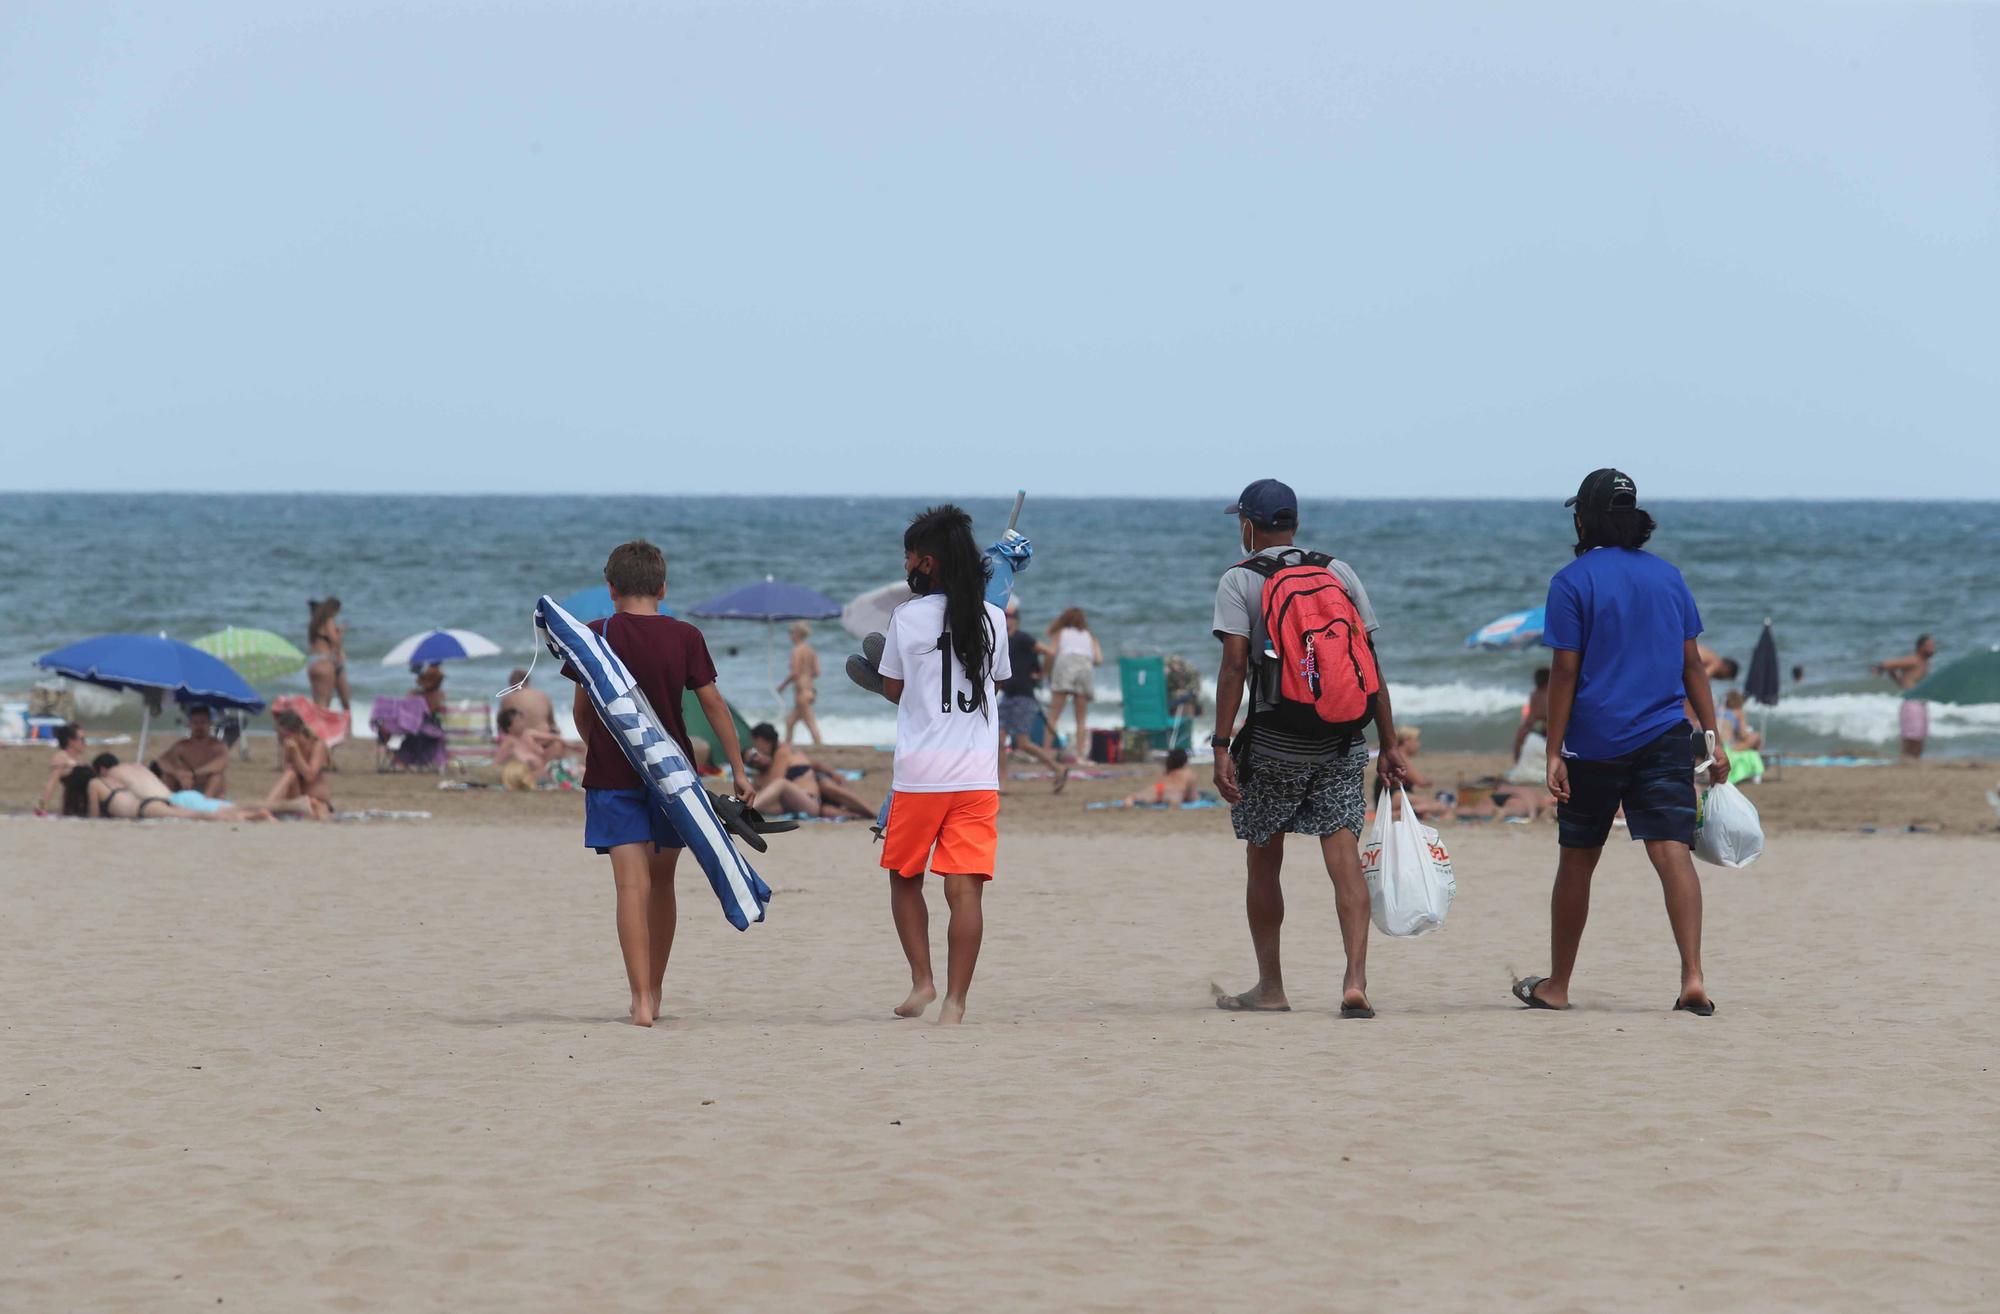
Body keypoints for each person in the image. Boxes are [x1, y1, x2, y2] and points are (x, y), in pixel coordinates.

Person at [1513, 469, 1728, 1018]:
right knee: (1672, 854)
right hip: (1662, 736)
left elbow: (1564, 672)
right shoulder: (1669, 577)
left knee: (1578, 860)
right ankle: (1693, 978)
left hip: (1594, 742)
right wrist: (1714, 738)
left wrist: (1552, 748)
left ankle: (1557, 985)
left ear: (1584, 519)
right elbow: (1692, 667)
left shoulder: (1572, 581)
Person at [1209, 478, 1410, 1019]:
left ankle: (1271, 986)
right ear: (1293, 522)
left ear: (1249, 525)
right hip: (1344, 737)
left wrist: (1222, 745)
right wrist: (1387, 742)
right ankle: (1355, 982)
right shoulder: (1337, 571)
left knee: (1264, 859)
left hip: (1275, 739)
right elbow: (1368, 660)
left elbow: (1234, 666)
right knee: (1343, 857)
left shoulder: (1239, 580)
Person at [560, 539, 754, 1029]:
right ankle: (658, 991)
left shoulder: (596, 635)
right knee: (663, 883)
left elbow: (584, 711)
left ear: (611, 589)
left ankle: (639, 999)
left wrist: (598, 746)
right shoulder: (685, 636)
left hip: (612, 777)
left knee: (631, 886)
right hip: (674, 781)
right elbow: (713, 704)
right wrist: (738, 768)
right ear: (663, 588)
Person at [870, 504, 1009, 1025]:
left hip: (921, 774)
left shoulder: (906, 618)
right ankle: (956, 1002)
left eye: (908, 557)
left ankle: (922, 980)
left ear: (926, 562)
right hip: (976, 774)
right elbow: (991, 685)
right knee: (964, 887)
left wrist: (877, 676)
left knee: (905, 877)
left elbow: (895, 689)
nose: (905, 565)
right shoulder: (994, 618)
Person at [995, 600, 1069, 792]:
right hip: (1008, 696)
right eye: (1005, 617)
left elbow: (1049, 653)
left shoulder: (1023, 638)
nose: (1007, 621)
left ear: (1017, 621)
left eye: (1010, 617)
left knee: (1023, 743)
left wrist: (1042, 674)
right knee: (999, 739)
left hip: (1024, 696)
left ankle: (1058, 768)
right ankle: (1001, 783)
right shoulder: (1002, 640)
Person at [64, 754, 269, 821]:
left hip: (147, 807)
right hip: (157, 800)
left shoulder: (97, 782)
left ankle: (245, 817)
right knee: (209, 810)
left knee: (196, 815)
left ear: (101, 769)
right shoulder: (121, 776)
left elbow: (93, 816)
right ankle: (250, 813)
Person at [745, 723, 875, 819]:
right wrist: (833, 773)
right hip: (803, 800)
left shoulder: (782, 752)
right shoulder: (786, 752)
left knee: (781, 783)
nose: (757, 748)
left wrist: (833, 774)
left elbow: (776, 781)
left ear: (763, 740)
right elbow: (812, 763)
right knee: (832, 798)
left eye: (756, 744)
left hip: (809, 799)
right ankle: (866, 815)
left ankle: (747, 809)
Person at [1041, 607, 1101, 757]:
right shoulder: (1089, 636)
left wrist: (1045, 672)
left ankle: (1046, 751)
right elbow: (1098, 659)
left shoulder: (1061, 633)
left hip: (1065, 668)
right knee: (1081, 719)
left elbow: (1052, 653)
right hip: (1084, 669)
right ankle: (1080, 755)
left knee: (1053, 715)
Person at [1873, 633, 1938, 760]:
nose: (1933, 648)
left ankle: (1912, 768)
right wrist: (1879, 668)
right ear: (1921, 647)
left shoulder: (1925, 663)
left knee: (1919, 741)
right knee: (1911, 742)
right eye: (1929, 646)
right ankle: (1904, 766)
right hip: (1912, 705)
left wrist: (1899, 680)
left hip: (1921, 704)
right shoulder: (1914, 660)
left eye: (1933, 645)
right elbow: (1890, 664)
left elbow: (1901, 676)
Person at [266, 709, 333, 819]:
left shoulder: (317, 745)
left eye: (284, 737)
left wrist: (296, 754)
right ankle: (267, 806)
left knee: (291, 775)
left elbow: (309, 776)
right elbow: (288, 777)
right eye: (279, 737)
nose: (281, 741)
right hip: (298, 800)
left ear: (297, 733)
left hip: (318, 800)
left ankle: (267, 807)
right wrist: (289, 755)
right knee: (290, 774)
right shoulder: (289, 747)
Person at [154, 706, 229, 798]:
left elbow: (220, 764)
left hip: (207, 785)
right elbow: (162, 761)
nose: (199, 726)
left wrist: (193, 774)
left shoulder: (218, 745)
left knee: (217, 777)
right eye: (195, 723)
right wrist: (178, 773)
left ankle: (205, 804)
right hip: (185, 784)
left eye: (203, 722)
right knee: (167, 777)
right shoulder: (182, 745)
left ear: (210, 724)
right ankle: (166, 802)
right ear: (190, 724)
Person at [495, 706, 572, 790]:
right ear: (509, 727)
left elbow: (554, 737)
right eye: (517, 721)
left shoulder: (528, 734)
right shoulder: (509, 742)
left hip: (545, 771)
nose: (522, 723)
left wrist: (573, 746)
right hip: (530, 778)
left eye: (521, 719)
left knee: (557, 746)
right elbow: (496, 763)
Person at [778, 622, 823, 746]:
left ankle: (820, 747)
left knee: (810, 723)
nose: (790, 635)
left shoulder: (796, 651)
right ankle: (786, 747)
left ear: (797, 634)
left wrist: (782, 686)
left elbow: (795, 673)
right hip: (810, 690)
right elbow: (817, 672)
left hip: (802, 692)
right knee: (790, 721)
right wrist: (806, 674)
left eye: (791, 632)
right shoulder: (811, 650)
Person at [1113, 748, 1201, 808]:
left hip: (1159, 788)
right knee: (1173, 800)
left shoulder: (1166, 771)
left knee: (1136, 797)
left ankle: (1130, 800)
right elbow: (1192, 797)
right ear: (1185, 762)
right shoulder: (1189, 773)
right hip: (1174, 792)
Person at [307, 598, 352, 711]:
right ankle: (346, 728)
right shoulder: (328, 620)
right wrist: (340, 633)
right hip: (327, 661)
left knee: (319, 704)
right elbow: (334, 640)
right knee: (336, 704)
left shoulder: (314, 624)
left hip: (315, 662)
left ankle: (317, 727)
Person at [35, 723, 87, 815]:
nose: (85, 743)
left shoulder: (78, 759)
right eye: (82, 739)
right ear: (71, 741)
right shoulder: (61, 757)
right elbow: (51, 784)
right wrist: (41, 807)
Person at [498, 668, 558, 738]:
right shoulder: (543, 696)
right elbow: (552, 723)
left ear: (513, 681)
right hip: (545, 738)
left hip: (524, 741)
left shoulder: (508, 699)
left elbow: (502, 727)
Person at [1513, 667, 1552, 761]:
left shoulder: (1534, 694)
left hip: (1533, 724)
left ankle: (1518, 760)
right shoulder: (1548, 693)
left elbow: (1533, 714)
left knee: (1521, 733)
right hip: (1542, 724)